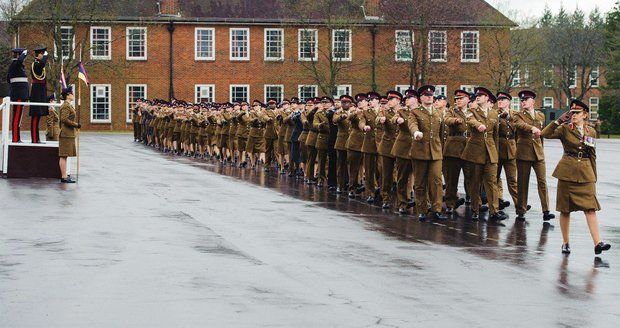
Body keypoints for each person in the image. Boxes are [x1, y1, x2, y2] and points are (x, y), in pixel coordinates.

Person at [541, 99, 611, 255]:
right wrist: (558, 120)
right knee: (565, 210)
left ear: (584, 114)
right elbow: (545, 134)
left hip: (585, 173)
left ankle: (597, 243)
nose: (573, 115)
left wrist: (593, 176)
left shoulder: (591, 131)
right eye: (571, 112)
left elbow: (593, 154)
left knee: (590, 209)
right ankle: (565, 243)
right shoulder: (564, 129)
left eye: (577, 113)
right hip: (567, 172)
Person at [462, 87, 507, 221]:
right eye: (477, 95)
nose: (478, 97)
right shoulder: (471, 111)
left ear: (487, 98)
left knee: (492, 182)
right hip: (475, 152)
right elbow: (470, 120)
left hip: (490, 152)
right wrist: (478, 125)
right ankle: (475, 209)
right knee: (475, 182)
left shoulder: (494, 114)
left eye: (481, 95)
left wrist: (496, 154)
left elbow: (496, 135)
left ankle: (494, 210)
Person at [513, 90, 555, 221]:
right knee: (522, 183)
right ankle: (521, 210)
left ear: (533, 101)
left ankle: (546, 210)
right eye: (522, 100)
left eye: (526, 99)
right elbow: (520, 125)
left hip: (538, 153)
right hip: (524, 153)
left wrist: (541, 148)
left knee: (542, 182)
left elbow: (541, 135)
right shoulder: (517, 115)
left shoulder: (540, 115)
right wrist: (532, 128)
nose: (523, 102)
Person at [409, 85, 447, 221]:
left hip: (436, 151)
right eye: (426, 95)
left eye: (431, 95)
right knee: (420, 182)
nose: (429, 97)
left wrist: (441, 148)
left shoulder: (438, 112)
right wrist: (416, 132)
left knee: (436, 181)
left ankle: (437, 209)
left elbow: (442, 133)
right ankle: (422, 209)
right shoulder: (415, 112)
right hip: (420, 151)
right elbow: (412, 124)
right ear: (421, 98)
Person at [443, 89, 471, 214]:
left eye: (461, 98)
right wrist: (455, 120)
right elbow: (447, 120)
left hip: (469, 147)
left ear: (468, 99)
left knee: (471, 177)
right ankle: (450, 203)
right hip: (453, 148)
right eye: (456, 99)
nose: (458, 101)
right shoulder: (451, 111)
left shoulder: (472, 112)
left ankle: (475, 202)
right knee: (451, 179)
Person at [495, 92, 518, 211]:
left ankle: (520, 205)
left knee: (512, 180)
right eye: (498, 99)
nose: (500, 101)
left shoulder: (515, 114)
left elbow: (518, 131)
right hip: (497, 149)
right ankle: (496, 203)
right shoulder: (494, 114)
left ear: (509, 101)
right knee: (495, 178)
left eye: (503, 99)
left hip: (511, 150)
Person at [7, 47, 29, 143]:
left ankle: (17, 138)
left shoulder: (17, 66)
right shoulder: (16, 64)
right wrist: (24, 53)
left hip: (20, 94)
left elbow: (9, 79)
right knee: (17, 117)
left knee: (18, 117)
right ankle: (15, 138)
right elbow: (20, 61)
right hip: (18, 95)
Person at [58, 87, 80, 183]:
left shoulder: (68, 105)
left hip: (68, 133)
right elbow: (64, 119)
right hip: (66, 134)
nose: (73, 95)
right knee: (64, 155)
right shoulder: (66, 105)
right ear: (67, 95)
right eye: (71, 93)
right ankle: (64, 177)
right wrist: (76, 125)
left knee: (65, 156)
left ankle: (65, 176)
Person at [29, 46, 49, 143]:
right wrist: (46, 56)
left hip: (41, 91)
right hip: (36, 92)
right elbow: (41, 65)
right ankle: (34, 139)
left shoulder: (40, 65)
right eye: (42, 53)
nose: (44, 55)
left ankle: (37, 138)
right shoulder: (35, 64)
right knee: (35, 116)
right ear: (39, 54)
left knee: (38, 116)